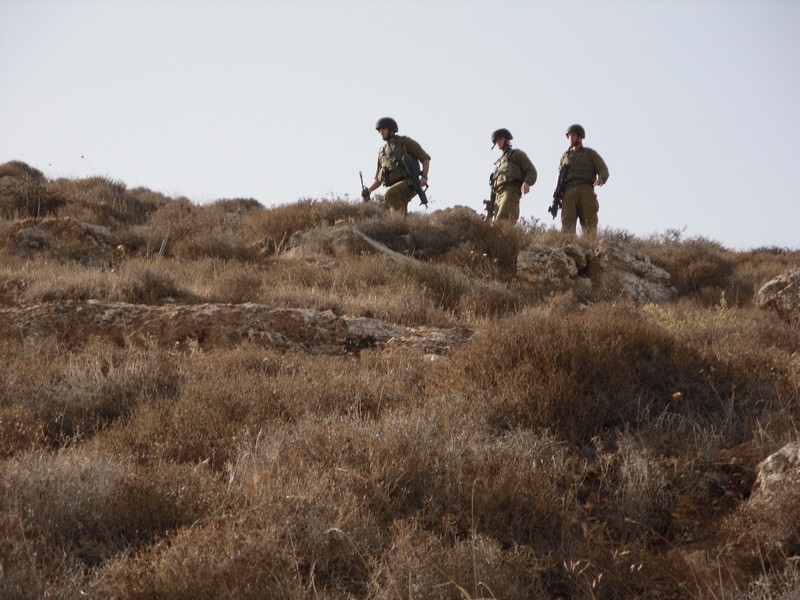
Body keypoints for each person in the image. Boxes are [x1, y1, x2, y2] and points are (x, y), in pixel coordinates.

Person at [361, 117, 430, 214]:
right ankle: (403, 225)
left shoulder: (405, 142)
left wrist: (424, 176)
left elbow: (425, 158)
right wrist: (369, 190)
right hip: (396, 186)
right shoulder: (382, 152)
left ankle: (399, 221)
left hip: (410, 183)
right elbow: (379, 179)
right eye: (379, 130)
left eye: (383, 129)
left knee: (390, 194)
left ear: (391, 129)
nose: (381, 132)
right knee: (388, 210)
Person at [557, 124, 609, 236]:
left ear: (580, 137)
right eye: (569, 136)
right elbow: (560, 177)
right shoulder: (564, 156)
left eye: (573, 135)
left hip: (585, 189)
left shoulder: (590, 153)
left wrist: (601, 178)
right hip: (568, 190)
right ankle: (568, 249)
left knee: (589, 222)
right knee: (567, 223)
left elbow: (603, 169)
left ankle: (590, 247)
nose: (570, 138)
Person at [489, 128, 537, 222]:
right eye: (496, 141)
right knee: (495, 226)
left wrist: (527, 182)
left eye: (500, 139)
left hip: (510, 191)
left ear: (507, 140)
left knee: (502, 220)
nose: (498, 142)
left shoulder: (516, 154)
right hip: (497, 195)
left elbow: (532, 171)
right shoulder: (498, 163)